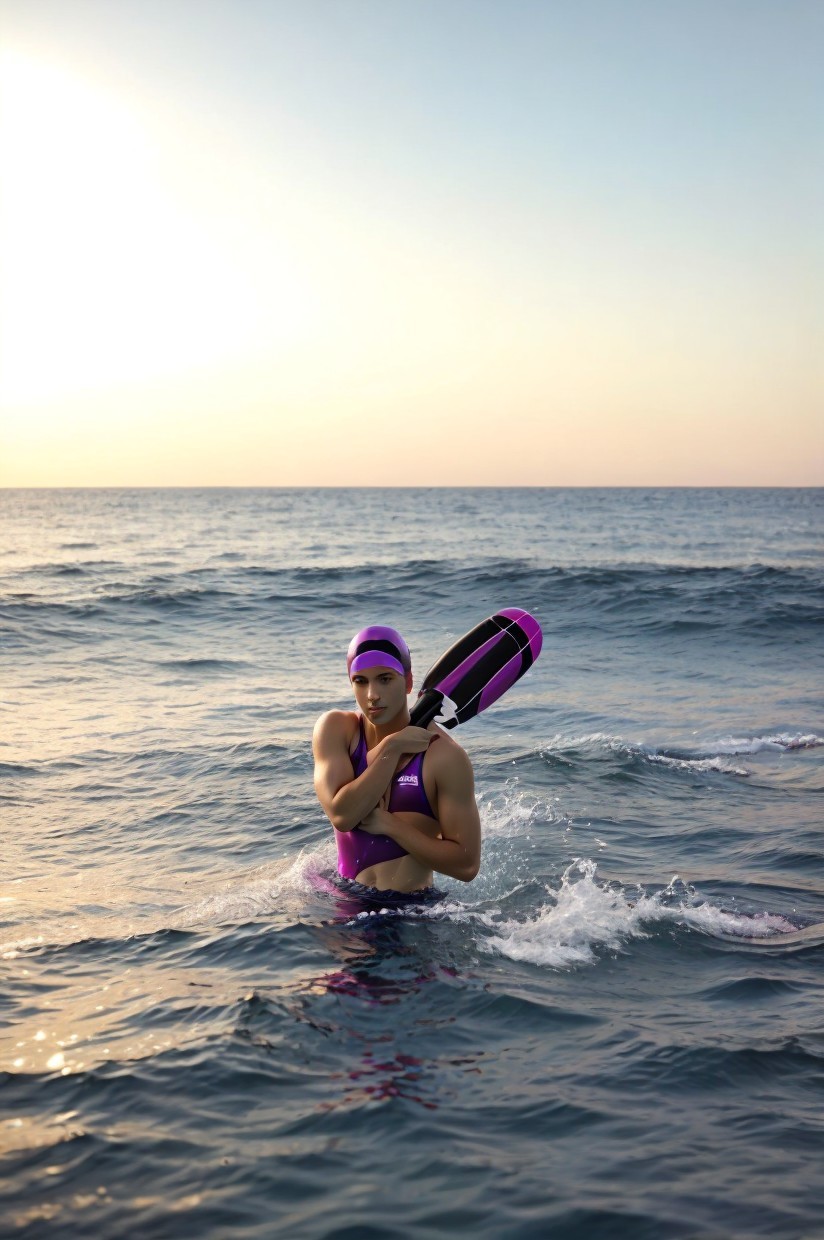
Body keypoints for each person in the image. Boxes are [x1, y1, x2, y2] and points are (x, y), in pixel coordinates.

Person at [312, 625, 481, 897]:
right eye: (361, 681)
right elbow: (342, 814)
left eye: (385, 679)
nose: (372, 695)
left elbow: (467, 865)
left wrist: (391, 826)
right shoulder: (336, 729)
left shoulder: (444, 757)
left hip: (406, 912)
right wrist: (392, 748)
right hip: (341, 898)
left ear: (409, 682)